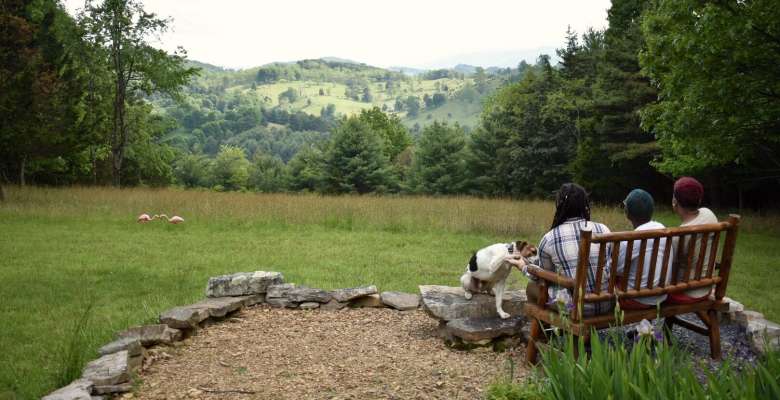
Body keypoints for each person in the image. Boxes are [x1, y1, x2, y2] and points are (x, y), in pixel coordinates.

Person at [519, 183, 612, 317]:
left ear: (560, 206)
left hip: (574, 308)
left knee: (532, 287)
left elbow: (544, 276)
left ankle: (545, 334)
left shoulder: (550, 238)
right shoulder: (603, 229)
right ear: (584, 204)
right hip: (606, 304)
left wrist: (524, 267)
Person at [614, 189, 673, 310]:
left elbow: (616, 270)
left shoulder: (630, 241)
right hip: (661, 296)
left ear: (627, 213)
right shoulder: (663, 230)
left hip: (636, 299)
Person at [667, 177, 718, 303]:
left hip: (685, 291)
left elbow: (670, 271)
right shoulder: (709, 215)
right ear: (699, 199)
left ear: (675, 202)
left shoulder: (677, 237)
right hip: (706, 287)